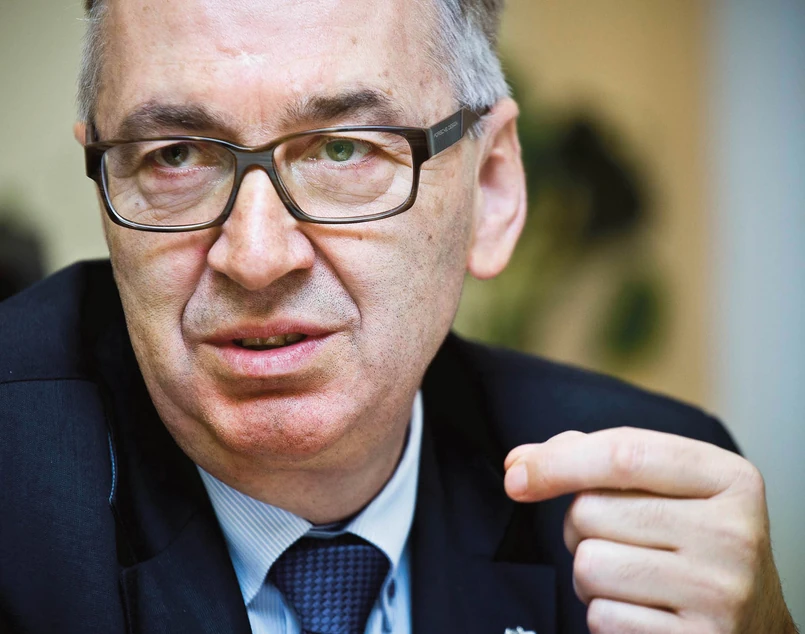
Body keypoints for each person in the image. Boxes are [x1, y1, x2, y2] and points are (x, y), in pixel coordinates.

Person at [0, 0, 798, 632]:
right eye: (175, 155)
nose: (256, 255)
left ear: (490, 188)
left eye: (342, 149)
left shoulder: (646, 507)